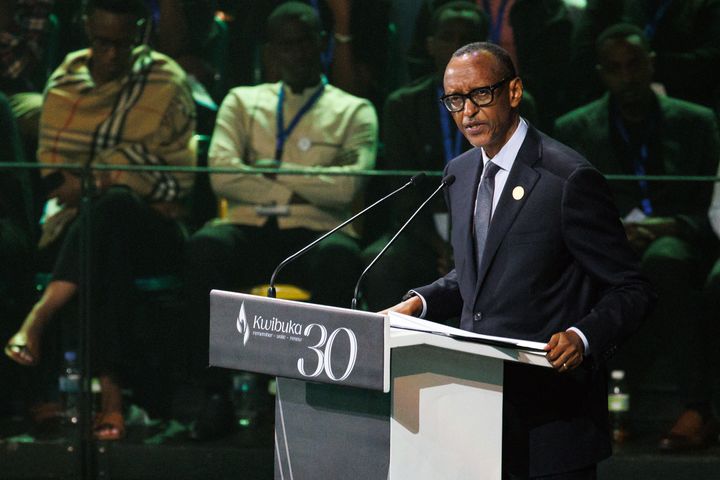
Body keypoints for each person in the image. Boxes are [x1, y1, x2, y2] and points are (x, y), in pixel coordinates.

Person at [384, 41, 655, 479]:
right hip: (473, 415)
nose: (467, 111)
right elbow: (478, 273)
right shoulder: (460, 171)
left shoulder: (568, 179)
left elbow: (633, 287)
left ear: (513, 92)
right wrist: (418, 304)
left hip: (550, 421)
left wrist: (583, 337)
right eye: (455, 99)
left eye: (480, 95)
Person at [182, 1, 377, 440]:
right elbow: (222, 175)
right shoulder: (241, 101)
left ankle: (318, 396)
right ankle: (214, 394)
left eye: (305, 41)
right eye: (284, 45)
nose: (296, 53)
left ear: (322, 44)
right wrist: (305, 184)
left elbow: (349, 189)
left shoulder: (355, 110)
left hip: (317, 233)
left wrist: (269, 170)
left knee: (343, 258)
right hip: (251, 228)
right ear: (270, 51)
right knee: (203, 247)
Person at [3, 0, 196, 440]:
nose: (111, 55)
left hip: (152, 229)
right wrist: (124, 173)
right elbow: (53, 179)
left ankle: (39, 322)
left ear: (140, 35)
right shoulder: (66, 78)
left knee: (115, 209)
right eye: (101, 43)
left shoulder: (165, 80)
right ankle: (111, 393)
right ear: (85, 29)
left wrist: (96, 181)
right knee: (104, 226)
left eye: (122, 45)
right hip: (80, 225)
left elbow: (177, 184)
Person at [555, 24, 720, 414]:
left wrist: (671, 226)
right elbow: (571, 207)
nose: (626, 77)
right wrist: (614, 234)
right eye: (615, 68)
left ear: (652, 64)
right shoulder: (574, 128)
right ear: (601, 73)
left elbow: (710, 205)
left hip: (678, 235)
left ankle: (695, 407)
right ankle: (589, 405)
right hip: (607, 242)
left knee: (664, 261)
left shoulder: (696, 121)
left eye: (634, 65)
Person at [363, 1, 536, 311]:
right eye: (448, 37)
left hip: (496, 226)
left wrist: (472, 244)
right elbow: (403, 193)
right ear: (430, 45)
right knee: (381, 264)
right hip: (425, 230)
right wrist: (443, 246)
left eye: (467, 40)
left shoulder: (513, 103)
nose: (458, 49)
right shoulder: (403, 105)